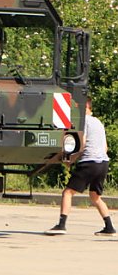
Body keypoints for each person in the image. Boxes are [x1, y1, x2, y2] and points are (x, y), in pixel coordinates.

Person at [44, 98, 115, 236]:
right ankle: (109, 227)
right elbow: (105, 147)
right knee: (95, 197)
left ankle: (61, 225)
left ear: (84, 108)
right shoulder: (98, 122)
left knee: (68, 192)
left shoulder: (84, 122)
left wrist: (71, 159)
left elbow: (81, 145)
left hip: (89, 162)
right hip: (103, 163)